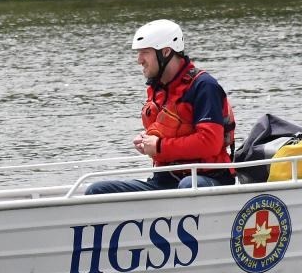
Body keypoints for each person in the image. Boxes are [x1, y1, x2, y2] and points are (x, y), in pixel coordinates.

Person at [85, 19, 236, 194]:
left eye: (145, 52)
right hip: (165, 180)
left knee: (188, 186)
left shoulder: (204, 86)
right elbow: (168, 131)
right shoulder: (157, 89)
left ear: (166, 52)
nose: (139, 60)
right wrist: (146, 140)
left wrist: (159, 147)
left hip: (210, 179)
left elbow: (210, 143)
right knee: (97, 190)